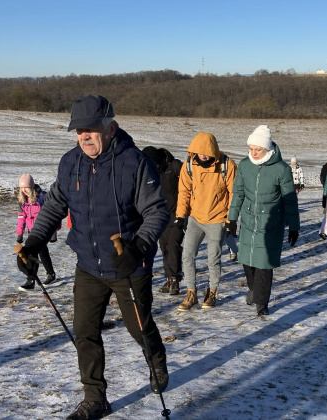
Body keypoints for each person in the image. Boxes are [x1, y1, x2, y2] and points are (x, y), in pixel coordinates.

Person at [17, 95, 170, 419]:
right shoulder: (70, 163)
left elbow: (157, 211)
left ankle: (156, 358)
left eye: (90, 129)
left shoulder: (136, 163)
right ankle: (95, 397)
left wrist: (139, 246)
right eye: (78, 130)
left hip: (128, 266)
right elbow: (54, 206)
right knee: (85, 330)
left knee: (138, 329)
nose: (83, 136)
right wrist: (32, 245)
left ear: (110, 127)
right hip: (88, 264)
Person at [227, 125, 299, 316]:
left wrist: (294, 226)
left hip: (271, 224)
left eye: (257, 149)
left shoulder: (282, 169)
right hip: (249, 221)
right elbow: (238, 193)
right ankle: (253, 289)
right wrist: (232, 219)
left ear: (267, 149)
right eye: (251, 149)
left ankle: (262, 304)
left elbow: (290, 199)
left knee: (264, 265)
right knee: (247, 261)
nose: (254, 153)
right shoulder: (244, 165)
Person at [176, 132, 236, 311]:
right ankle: (191, 292)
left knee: (213, 259)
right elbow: (184, 191)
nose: (202, 155)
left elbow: (234, 193)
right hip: (195, 218)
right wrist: (180, 215)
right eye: (199, 151)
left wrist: (231, 219)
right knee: (187, 255)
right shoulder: (188, 164)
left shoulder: (227, 165)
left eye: (206, 152)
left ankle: (212, 292)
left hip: (217, 220)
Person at [141, 146, 184, 295]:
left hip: (178, 214)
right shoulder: (151, 170)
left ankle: (174, 279)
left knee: (173, 246)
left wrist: (184, 213)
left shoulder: (175, 166)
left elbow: (188, 186)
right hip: (161, 216)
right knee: (164, 247)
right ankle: (169, 278)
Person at [15, 174, 57, 290]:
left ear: (32, 187)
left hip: (44, 231)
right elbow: (21, 218)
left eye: (26, 188)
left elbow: (52, 215)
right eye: (21, 188)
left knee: (35, 252)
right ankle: (48, 274)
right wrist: (20, 233)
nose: (24, 190)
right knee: (39, 252)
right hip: (31, 232)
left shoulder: (42, 197)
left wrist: (53, 233)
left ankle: (32, 279)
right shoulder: (22, 201)